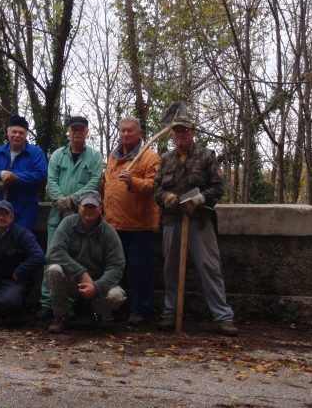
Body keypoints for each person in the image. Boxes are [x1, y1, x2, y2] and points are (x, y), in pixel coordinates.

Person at [152, 116, 237, 337]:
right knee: (171, 270)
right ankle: (170, 313)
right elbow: (155, 189)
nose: (180, 134)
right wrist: (167, 197)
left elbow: (218, 188)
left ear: (193, 133)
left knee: (210, 267)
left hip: (200, 221)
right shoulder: (165, 159)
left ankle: (223, 317)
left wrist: (199, 199)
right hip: (172, 221)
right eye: (176, 131)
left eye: (184, 131)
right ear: (172, 134)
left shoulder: (207, 156)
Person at [35, 116, 103, 320]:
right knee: (52, 258)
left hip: (82, 218)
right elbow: (51, 181)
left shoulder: (94, 157)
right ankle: (48, 303)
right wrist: (60, 202)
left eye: (81, 129)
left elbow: (95, 181)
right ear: (68, 131)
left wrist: (73, 202)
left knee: (75, 260)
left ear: (87, 132)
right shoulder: (57, 155)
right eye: (74, 129)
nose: (77, 132)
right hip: (57, 218)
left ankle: (69, 305)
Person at [101, 117, 160, 325]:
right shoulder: (113, 156)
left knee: (141, 270)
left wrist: (133, 182)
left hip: (139, 225)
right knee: (118, 270)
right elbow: (107, 184)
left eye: (130, 131)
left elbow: (156, 187)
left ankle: (140, 309)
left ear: (139, 134)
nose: (126, 134)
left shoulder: (150, 157)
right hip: (113, 224)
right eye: (123, 131)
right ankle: (119, 307)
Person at [45, 190, 126, 333]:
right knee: (53, 270)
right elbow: (55, 252)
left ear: (100, 208)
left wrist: (96, 287)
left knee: (117, 296)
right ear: (79, 207)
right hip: (72, 280)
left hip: (98, 284)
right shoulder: (67, 224)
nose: (89, 210)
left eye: (93, 207)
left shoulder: (109, 232)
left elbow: (117, 266)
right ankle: (61, 317)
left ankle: (97, 314)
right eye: (85, 206)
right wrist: (81, 273)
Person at [0, 114, 47, 231]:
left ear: (26, 134)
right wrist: (1, 174)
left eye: (21, 133)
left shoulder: (36, 153)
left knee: (21, 245)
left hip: (25, 210)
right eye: (14, 132)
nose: (17, 135)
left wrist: (13, 177)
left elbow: (40, 176)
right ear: (8, 132)